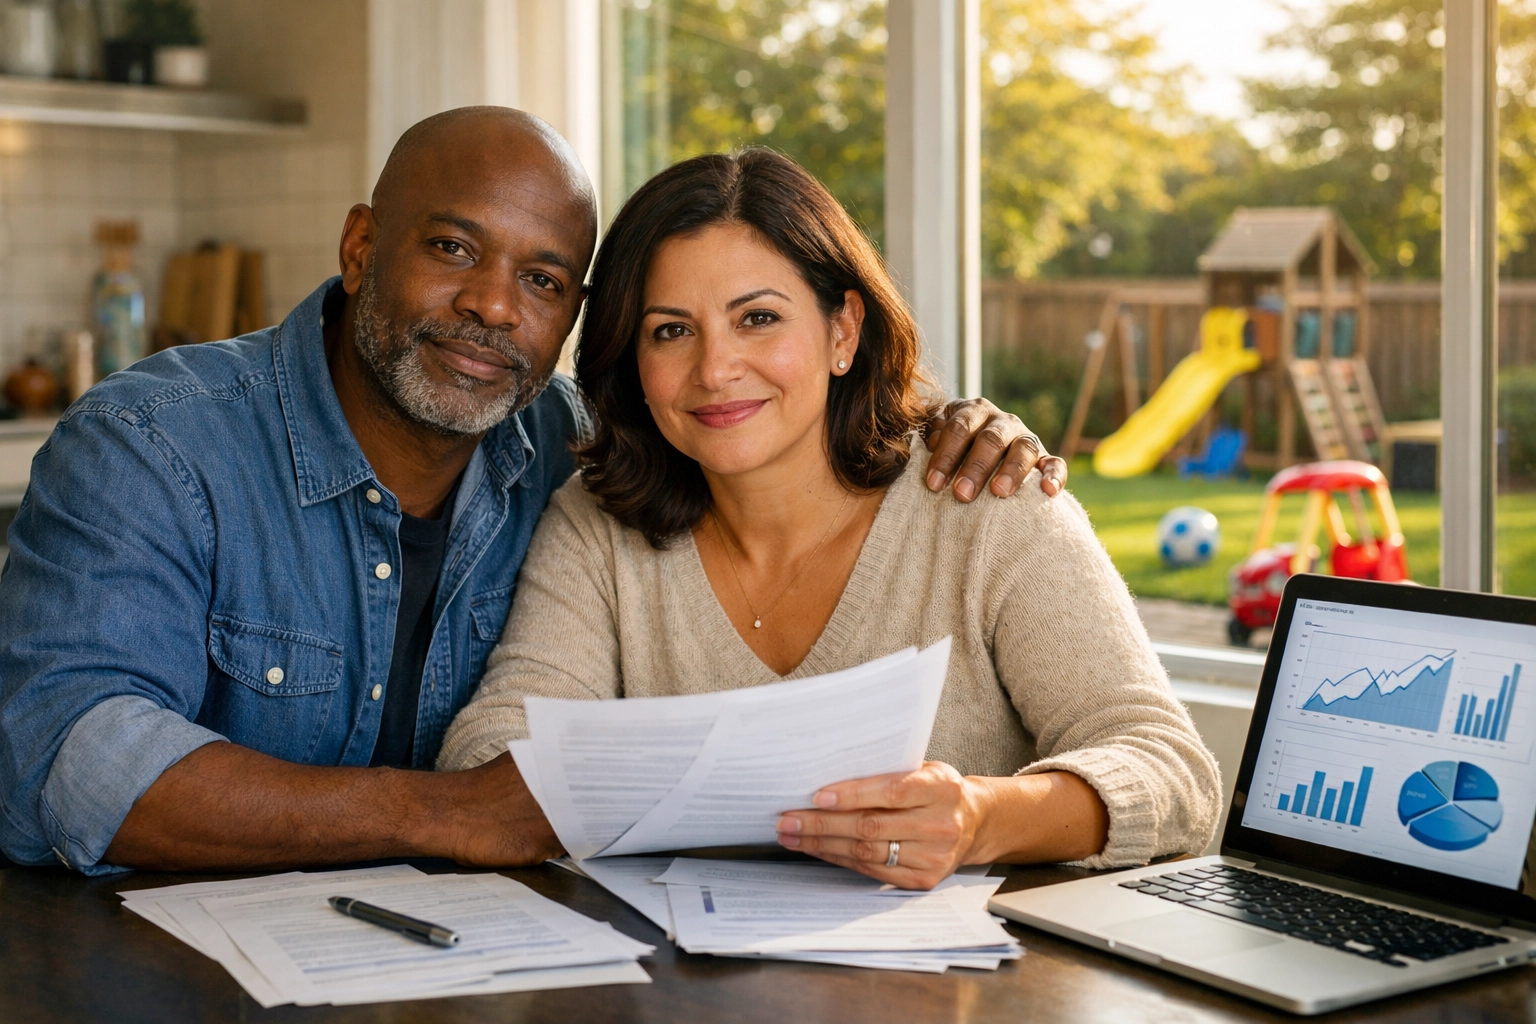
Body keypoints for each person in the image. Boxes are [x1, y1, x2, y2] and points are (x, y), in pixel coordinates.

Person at [0, 108, 1061, 875]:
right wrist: (445, 813)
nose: (493, 307)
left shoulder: (572, 450)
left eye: (545, 279)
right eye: (453, 247)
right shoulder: (155, 442)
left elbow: (739, 408)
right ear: (363, 246)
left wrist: (946, 420)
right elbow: (72, 755)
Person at [439, 149, 1220, 888]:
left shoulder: (985, 505)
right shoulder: (597, 524)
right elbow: (489, 757)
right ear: (632, 363)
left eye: (758, 319)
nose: (715, 370)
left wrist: (982, 819)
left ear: (842, 330)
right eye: (671, 331)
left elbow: (1172, 771)